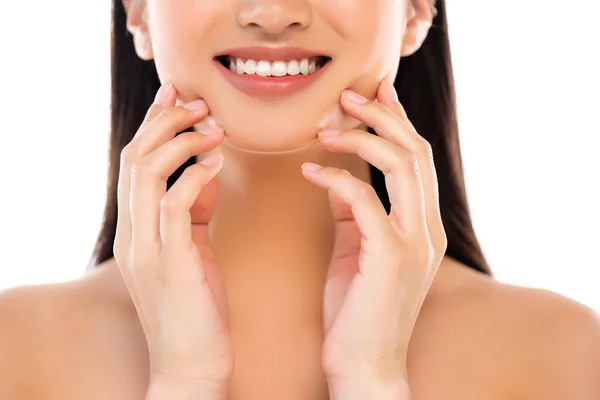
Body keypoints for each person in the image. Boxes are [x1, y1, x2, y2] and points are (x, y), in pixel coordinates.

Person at [1, 0, 599, 399]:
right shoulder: (15, 352)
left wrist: (372, 378)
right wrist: (184, 380)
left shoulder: (564, 357)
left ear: (417, 10)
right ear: (137, 10)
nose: (273, 14)